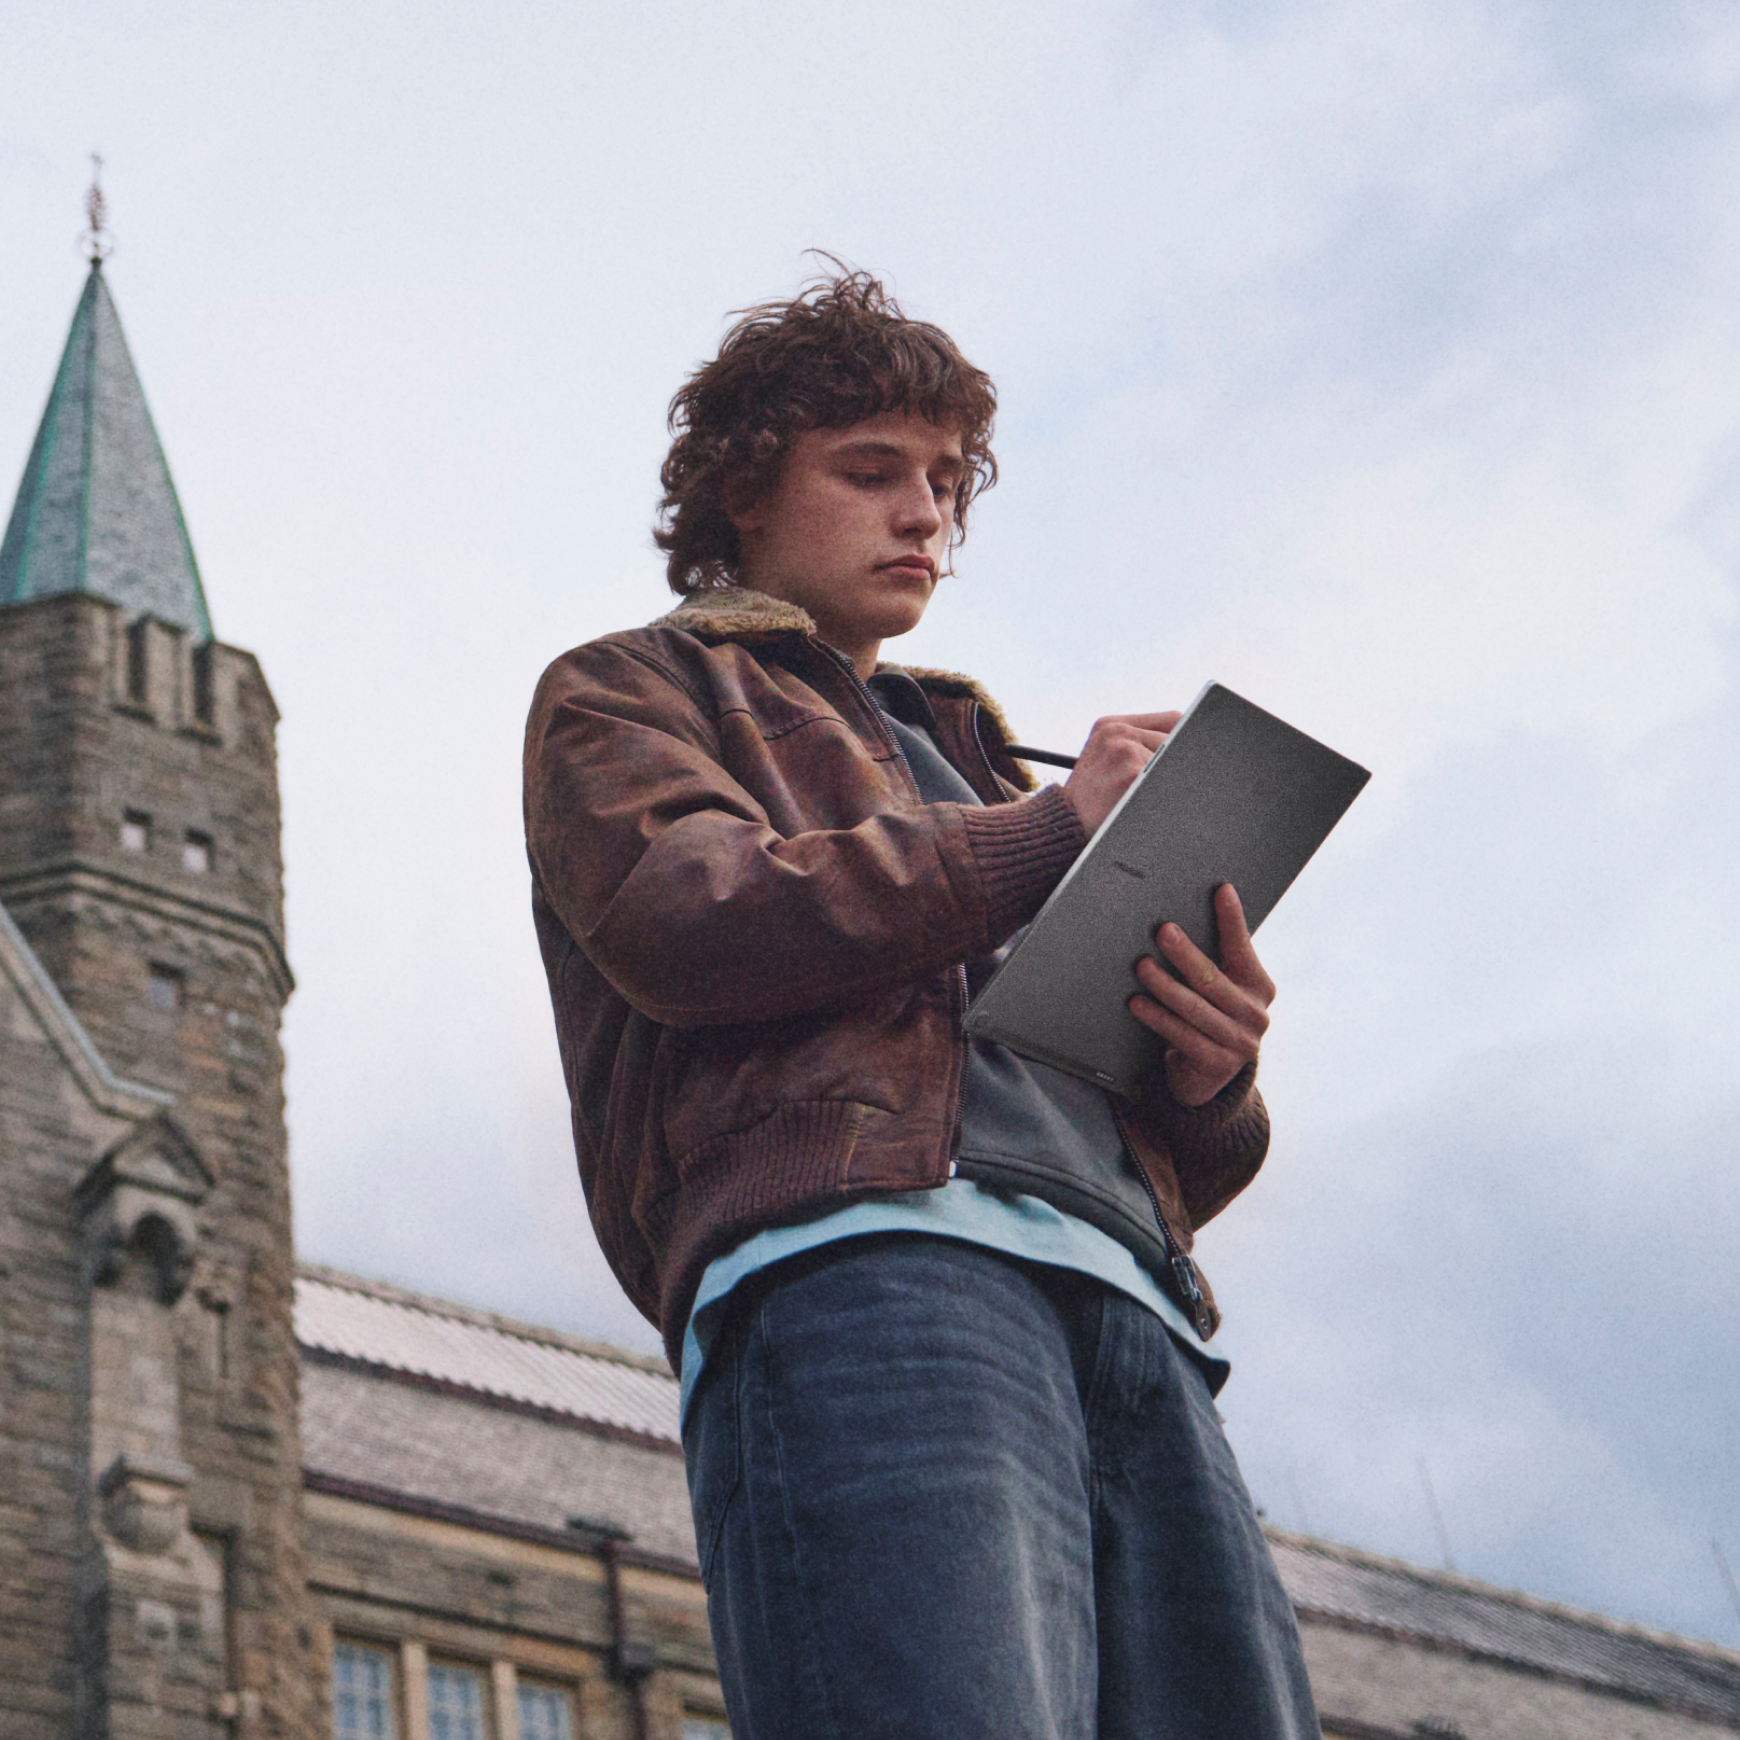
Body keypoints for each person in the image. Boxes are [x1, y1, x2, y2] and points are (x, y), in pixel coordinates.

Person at [523, 267, 1321, 1739]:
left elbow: (1161, 1145)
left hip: (1139, 1315)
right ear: (741, 493)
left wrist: (1210, 1075)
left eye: (949, 485)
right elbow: (690, 918)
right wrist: (1046, 838)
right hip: (869, 1280)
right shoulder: (630, 692)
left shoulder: (995, 761)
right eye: (874, 472)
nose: (926, 518)